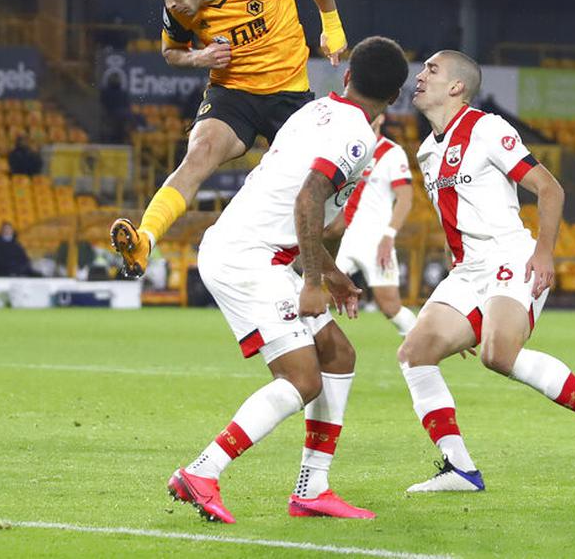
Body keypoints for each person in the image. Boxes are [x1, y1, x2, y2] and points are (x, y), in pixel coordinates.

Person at [168, 36, 407, 523]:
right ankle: (202, 472)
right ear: (395, 99)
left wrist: (332, 273)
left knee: (339, 354)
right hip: (248, 258)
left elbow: (284, 199)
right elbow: (306, 202)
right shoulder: (359, 138)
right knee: (301, 378)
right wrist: (314, 283)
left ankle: (312, 489)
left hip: (258, 250)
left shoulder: (313, 112)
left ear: (345, 77)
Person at [397, 50, 575, 492]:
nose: (420, 76)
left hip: (510, 256)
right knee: (414, 355)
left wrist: (544, 253)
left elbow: (549, 188)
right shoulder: (428, 150)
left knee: (498, 355)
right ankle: (460, 469)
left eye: (431, 70)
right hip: (468, 271)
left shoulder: (487, 128)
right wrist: (466, 311)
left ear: (457, 87)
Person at [111, 0, 347, 277]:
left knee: (318, 187)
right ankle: (145, 239)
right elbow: (171, 52)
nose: (171, 3)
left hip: (289, 96)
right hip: (232, 93)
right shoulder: (179, 12)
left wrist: (332, 25)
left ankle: (311, 272)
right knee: (199, 154)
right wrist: (199, 57)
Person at [326, 114, 417, 335]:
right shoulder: (344, 147)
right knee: (315, 295)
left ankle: (424, 346)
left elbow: (405, 198)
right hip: (341, 237)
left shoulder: (392, 153)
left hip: (376, 241)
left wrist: (388, 236)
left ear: (382, 118)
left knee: (390, 307)